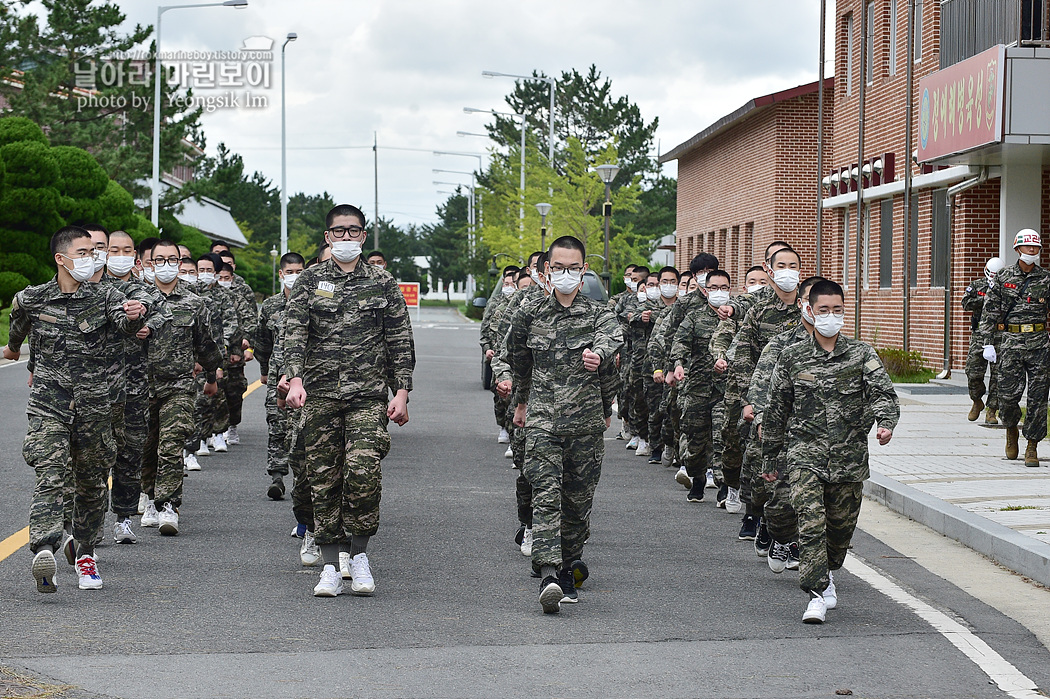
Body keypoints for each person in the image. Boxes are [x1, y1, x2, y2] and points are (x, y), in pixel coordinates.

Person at [5, 226, 147, 592]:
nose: (91, 258)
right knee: (50, 472)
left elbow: (126, 325)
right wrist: (12, 348)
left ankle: (85, 553)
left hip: (96, 408)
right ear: (61, 258)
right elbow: (17, 322)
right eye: (83, 252)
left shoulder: (106, 297)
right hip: (49, 404)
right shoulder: (34, 298)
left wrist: (134, 316)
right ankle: (46, 549)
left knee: (91, 484)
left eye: (92, 252)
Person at [284, 204, 415, 598]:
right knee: (323, 478)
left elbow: (398, 338)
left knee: (363, 471)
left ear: (363, 236)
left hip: (367, 396)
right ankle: (328, 563)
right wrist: (294, 380)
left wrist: (403, 390)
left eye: (353, 231)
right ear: (327, 237)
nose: (345, 238)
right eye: (338, 232)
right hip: (320, 394)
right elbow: (294, 333)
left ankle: (358, 556)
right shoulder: (309, 281)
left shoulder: (382, 281)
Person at [763, 279, 898, 623]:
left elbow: (883, 392)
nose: (831, 316)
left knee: (839, 532)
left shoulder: (861, 354)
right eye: (824, 310)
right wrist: (769, 455)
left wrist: (885, 421)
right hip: (804, 455)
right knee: (810, 522)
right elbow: (777, 408)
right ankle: (817, 593)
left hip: (848, 459)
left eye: (837, 310)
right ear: (809, 311)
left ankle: (829, 570)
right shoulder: (792, 357)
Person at [506, 235, 622, 614]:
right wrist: (521, 401)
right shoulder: (531, 311)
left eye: (574, 268)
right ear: (546, 271)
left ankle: (570, 561)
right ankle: (549, 573)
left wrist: (600, 360)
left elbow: (611, 339)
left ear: (584, 269)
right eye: (559, 268)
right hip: (542, 421)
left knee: (577, 502)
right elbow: (518, 356)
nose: (567, 274)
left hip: (585, 425)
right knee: (546, 494)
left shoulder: (598, 313)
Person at [141, 241, 223, 536]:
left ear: (179, 262)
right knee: (146, 447)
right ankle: (149, 497)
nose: (166, 264)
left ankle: (168, 506)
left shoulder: (193, 302)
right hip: (141, 387)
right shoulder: (136, 301)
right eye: (159, 259)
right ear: (149, 264)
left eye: (172, 259)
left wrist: (212, 376)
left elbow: (206, 344)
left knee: (171, 443)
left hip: (178, 386)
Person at [748, 275, 825, 573]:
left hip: (821, 439)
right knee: (781, 502)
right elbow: (761, 383)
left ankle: (810, 561)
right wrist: (761, 417)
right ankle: (775, 529)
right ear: (804, 305)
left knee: (812, 501)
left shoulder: (843, 348)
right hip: (784, 433)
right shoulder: (782, 344)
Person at [735, 246, 802, 547]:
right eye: (782, 265)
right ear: (770, 270)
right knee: (759, 465)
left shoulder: (809, 308)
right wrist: (748, 400)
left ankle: (786, 533)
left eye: (794, 265)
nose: (788, 271)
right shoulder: (758, 311)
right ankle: (758, 514)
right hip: (764, 397)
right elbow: (743, 356)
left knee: (794, 472)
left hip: (799, 402)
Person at [980, 229, 1050, 467]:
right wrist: (987, 341)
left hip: (1039, 342)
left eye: (1036, 248)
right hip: (1011, 342)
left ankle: (1032, 445)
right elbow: (990, 310)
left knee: (1039, 397)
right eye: (1028, 247)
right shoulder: (1004, 276)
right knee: (1008, 396)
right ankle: (1011, 428)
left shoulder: (1046, 278)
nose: (1032, 251)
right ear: (1018, 249)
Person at [669, 270, 731, 503]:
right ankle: (697, 478)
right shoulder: (694, 317)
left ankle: (724, 484)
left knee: (723, 436)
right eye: (714, 287)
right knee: (695, 439)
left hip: (726, 389)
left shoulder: (736, 319)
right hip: (697, 386)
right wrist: (678, 364)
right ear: (705, 291)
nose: (719, 292)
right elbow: (681, 342)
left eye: (724, 287)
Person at [254, 252, 306, 501]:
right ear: (281, 274)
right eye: (290, 272)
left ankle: (301, 478)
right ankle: (277, 475)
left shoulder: (312, 302)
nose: (294, 277)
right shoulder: (271, 305)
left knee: (301, 428)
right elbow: (262, 341)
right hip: (276, 375)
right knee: (276, 425)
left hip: (304, 377)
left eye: (299, 271)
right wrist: (264, 371)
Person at [963, 257, 1005, 424]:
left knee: (998, 375)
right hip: (980, 335)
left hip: (1000, 335)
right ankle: (977, 400)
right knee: (973, 372)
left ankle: (992, 410)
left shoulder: (1006, 286)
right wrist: (986, 298)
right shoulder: (977, 285)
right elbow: (966, 303)